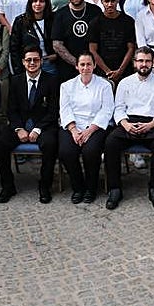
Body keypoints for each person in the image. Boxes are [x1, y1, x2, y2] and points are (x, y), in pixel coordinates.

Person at [103, 47, 154, 210]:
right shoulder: (125, 83)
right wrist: (125, 124)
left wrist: (150, 125)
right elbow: (118, 108)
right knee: (110, 142)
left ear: (152, 63)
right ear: (134, 63)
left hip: (153, 123)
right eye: (140, 60)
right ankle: (115, 189)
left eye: (147, 61)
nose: (144, 64)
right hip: (129, 122)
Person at [0, 44, 60, 204]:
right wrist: (18, 129)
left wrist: (37, 129)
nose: (32, 63)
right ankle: (8, 186)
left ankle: (45, 186)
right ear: (23, 62)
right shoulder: (15, 81)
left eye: (36, 60)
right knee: (0, 144)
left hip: (43, 126)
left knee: (50, 144)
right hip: (20, 126)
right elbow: (11, 109)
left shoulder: (51, 81)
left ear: (41, 61)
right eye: (28, 60)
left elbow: (53, 111)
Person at [57, 52, 114, 204]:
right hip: (73, 125)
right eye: (82, 64)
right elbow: (65, 109)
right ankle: (78, 187)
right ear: (77, 66)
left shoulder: (104, 85)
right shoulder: (66, 86)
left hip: (96, 126)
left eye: (89, 64)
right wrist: (74, 130)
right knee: (66, 151)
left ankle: (91, 188)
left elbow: (107, 110)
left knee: (91, 151)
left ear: (94, 65)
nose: (85, 67)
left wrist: (89, 131)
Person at [52, 0, 102, 81]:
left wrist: (88, 63)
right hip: (67, 69)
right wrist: (77, 63)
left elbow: (101, 39)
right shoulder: (60, 14)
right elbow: (57, 44)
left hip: (94, 67)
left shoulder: (95, 11)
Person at [88, 0, 136, 85]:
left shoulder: (128, 21)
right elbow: (92, 50)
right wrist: (107, 71)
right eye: (106, 1)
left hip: (125, 70)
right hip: (102, 71)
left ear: (118, 0)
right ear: (101, 1)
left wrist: (120, 70)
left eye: (112, 1)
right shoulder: (95, 23)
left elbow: (131, 48)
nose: (110, 4)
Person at [9, 0, 57, 77]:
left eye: (41, 1)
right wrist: (19, 72)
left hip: (49, 64)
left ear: (46, 3)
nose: (38, 4)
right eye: (35, 1)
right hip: (29, 65)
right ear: (30, 3)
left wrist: (56, 56)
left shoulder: (54, 19)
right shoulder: (20, 21)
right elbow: (14, 48)